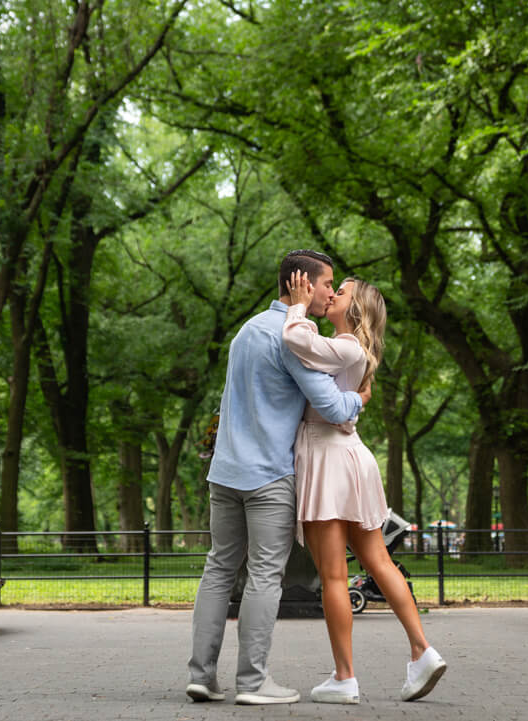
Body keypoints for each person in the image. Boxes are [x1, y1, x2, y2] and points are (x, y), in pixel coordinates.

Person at [186, 250, 367, 706]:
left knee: (218, 569)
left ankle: (201, 676)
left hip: (224, 472)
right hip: (268, 476)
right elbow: (333, 406)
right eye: (327, 284)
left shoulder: (247, 329)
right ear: (301, 284)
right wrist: (361, 398)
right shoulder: (294, 336)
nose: (331, 293)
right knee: (265, 575)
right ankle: (252, 682)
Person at [283, 270, 446, 705]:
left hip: (327, 458)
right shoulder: (353, 350)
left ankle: (345, 677)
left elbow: (295, 339)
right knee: (379, 562)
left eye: (340, 292)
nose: (331, 294)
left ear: (355, 309)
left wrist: (297, 306)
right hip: (352, 457)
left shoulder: (345, 346)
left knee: (334, 575)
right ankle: (422, 650)